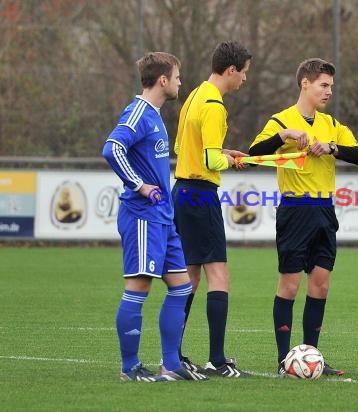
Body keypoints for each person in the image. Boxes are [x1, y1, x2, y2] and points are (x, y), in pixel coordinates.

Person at [249, 58, 358, 376]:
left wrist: (331, 148)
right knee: (289, 284)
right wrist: (283, 136)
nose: (329, 91)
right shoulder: (281, 120)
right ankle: (284, 359)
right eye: (323, 85)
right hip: (295, 209)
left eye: (331, 86)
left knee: (321, 285)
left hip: (325, 211)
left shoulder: (332, 125)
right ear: (305, 84)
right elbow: (253, 153)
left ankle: (312, 357)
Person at [102, 52, 207, 382]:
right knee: (139, 286)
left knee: (181, 287)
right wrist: (139, 185)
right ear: (163, 80)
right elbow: (112, 148)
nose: (179, 82)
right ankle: (129, 367)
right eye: (177, 76)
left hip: (164, 217)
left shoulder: (155, 115)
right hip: (142, 217)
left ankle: (170, 364)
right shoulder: (138, 113)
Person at [172, 41, 251, 378]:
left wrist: (224, 151)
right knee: (218, 275)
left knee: (188, 278)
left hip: (183, 191)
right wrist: (230, 160)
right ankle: (217, 360)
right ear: (230, 70)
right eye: (244, 73)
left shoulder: (194, 95)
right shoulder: (215, 104)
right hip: (201, 194)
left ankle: (172, 355)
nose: (244, 79)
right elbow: (209, 159)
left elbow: (181, 146)